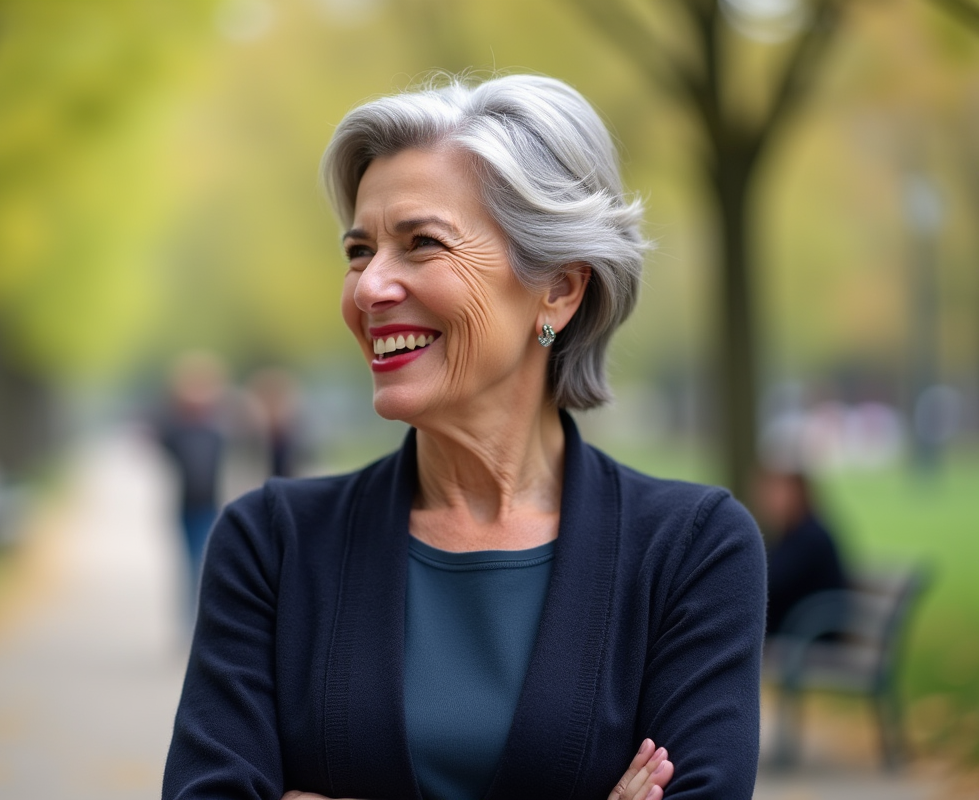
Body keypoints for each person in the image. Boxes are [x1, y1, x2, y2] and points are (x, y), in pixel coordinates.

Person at [162, 73, 766, 800]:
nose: (369, 288)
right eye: (359, 252)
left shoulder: (691, 553)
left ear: (560, 288)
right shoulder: (271, 547)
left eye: (421, 243)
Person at [156, 352, 228, 593]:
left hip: (212, 505)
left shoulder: (219, 430)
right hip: (186, 505)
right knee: (191, 564)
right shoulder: (176, 430)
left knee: (206, 561)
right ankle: (193, 618)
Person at [754, 469, 848, 637]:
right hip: (797, 630)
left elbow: (771, 584)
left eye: (777, 492)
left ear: (798, 494)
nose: (769, 501)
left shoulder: (809, 538)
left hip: (810, 634)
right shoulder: (792, 534)